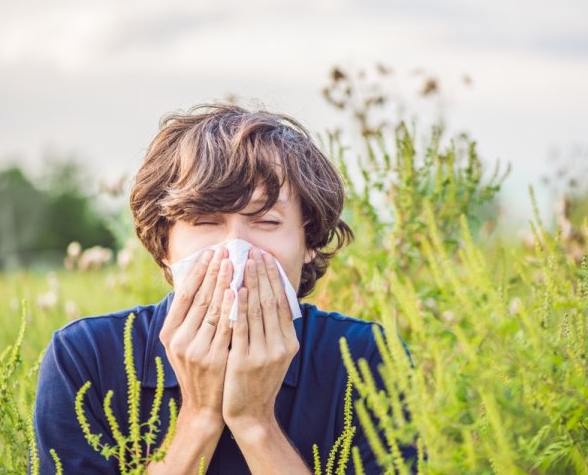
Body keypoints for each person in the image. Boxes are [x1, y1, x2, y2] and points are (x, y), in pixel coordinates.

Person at [32, 103, 415, 473]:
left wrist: (256, 424)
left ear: (309, 240)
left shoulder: (366, 359)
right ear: (164, 244)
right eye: (205, 222)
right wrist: (199, 416)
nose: (236, 252)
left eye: (266, 221)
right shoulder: (86, 359)